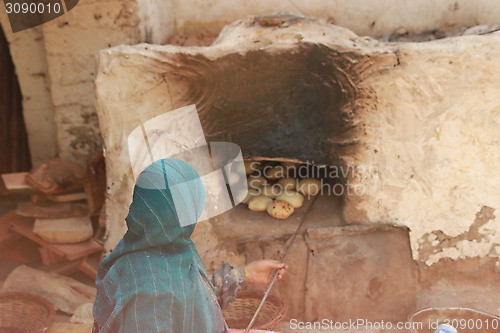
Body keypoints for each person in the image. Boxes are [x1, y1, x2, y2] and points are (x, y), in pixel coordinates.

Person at [93, 158, 287, 332]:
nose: (200, 216)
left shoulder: (153, 247)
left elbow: (188, 299)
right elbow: (170, 298)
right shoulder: (149, 294)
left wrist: (244, 274)